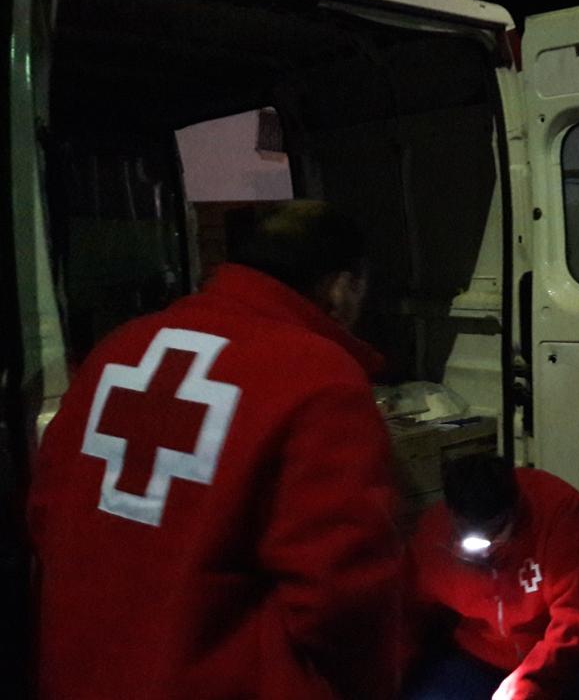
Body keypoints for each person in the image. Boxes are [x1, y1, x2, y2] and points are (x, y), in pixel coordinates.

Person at [28, 201, 403, 699]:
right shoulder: (318, 377)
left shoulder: (119, 349)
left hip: (81, 674)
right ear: (341, 286)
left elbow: (44, 512)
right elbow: (345, 599)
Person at [403, 454, 579, 700]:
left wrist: (532, 682)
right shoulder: (433, 531)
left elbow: (576, 618)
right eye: (471, 536)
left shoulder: (560, 511)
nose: (486, 546)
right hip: (482, 657)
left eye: (495, 533)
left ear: (514, 507)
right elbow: (411, 613)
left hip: (563, 656)